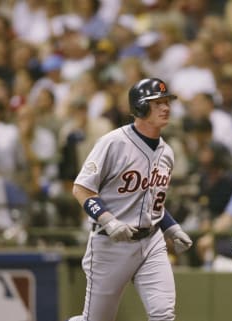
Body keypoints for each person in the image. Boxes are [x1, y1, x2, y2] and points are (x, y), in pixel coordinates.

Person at [67, 78, 193, 321]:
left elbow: (150, 200)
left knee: (164, 315)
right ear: (140, 107)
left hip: (152, 243)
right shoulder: (113, 143)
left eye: (167, 102)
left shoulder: (167, 152)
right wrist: (109, 221)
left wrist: (171, 228)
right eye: (157, 103)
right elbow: (81, 189)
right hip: (110, 245)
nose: (166, 108)